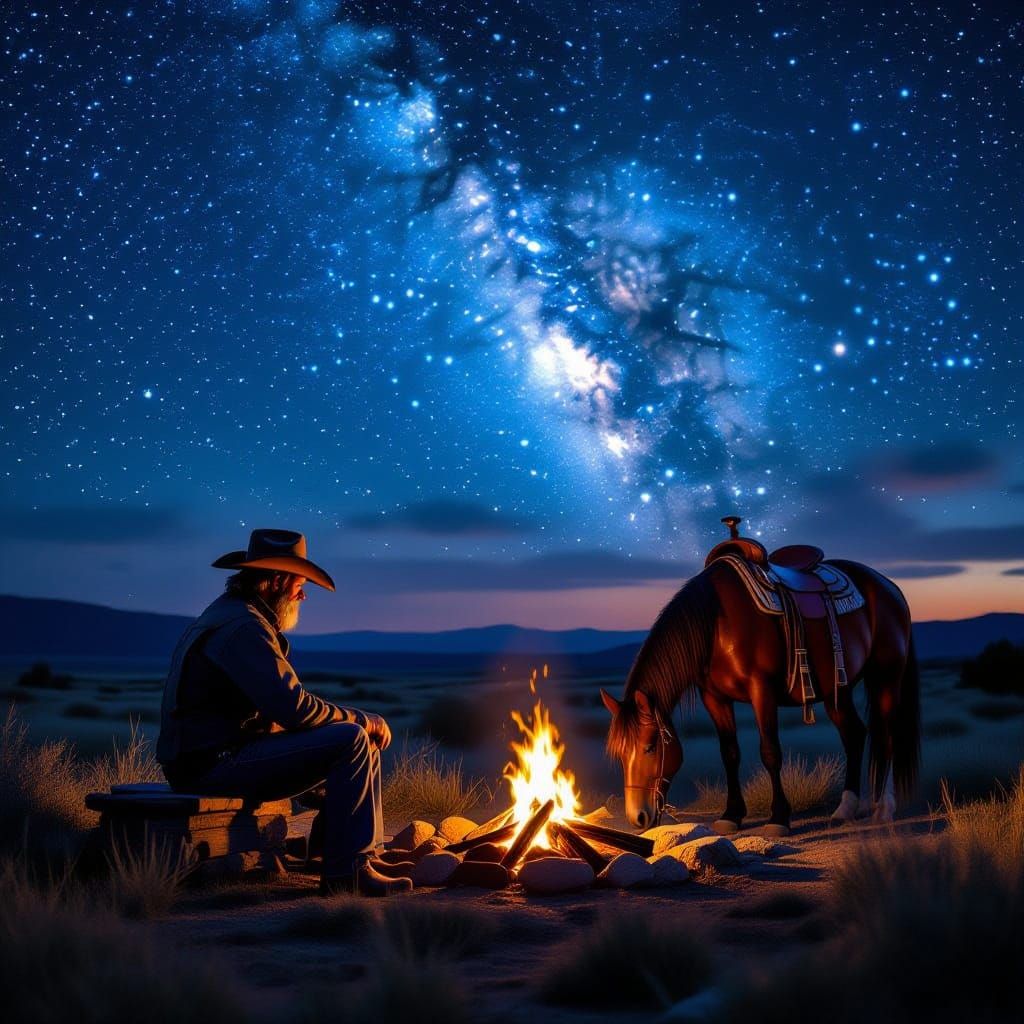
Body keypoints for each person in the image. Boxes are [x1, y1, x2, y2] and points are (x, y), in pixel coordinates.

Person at [156, 528, 411, 895]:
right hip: (213, 764)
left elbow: (278, 709)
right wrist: (362, 718)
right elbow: (294, 708)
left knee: (355, 741)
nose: (304, 594)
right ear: (276, 580)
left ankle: (343, 854)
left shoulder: (231, 615)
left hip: (207, 757)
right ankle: (347, 874)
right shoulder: (243, 627)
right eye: (299, 584)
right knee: (353, 739)